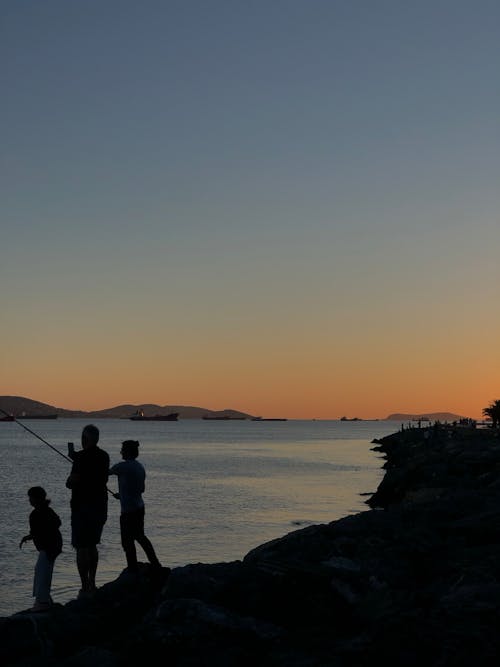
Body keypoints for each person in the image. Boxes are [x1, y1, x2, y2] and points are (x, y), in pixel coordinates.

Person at [65, 424, 109, 597]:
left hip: (81, 506)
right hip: (100, 506)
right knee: (92, 545)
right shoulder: (104, 456)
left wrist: (70, 479)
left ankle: (84, 587)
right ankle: (93, 582)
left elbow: (71, 482)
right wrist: (75, 456)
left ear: (85, 439)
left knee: (81, 547)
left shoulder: (81, 458)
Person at [109, 439, 162, 573]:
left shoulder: (123, 467)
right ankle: (155, 563)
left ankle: (132, 568)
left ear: (127, 451)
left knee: (127, 542)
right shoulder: (140, 467)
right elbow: (140, 489)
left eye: (122, 450)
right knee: (140, 536)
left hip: (128, 511)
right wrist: (122, 495)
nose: (120, 452)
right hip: (139, 507)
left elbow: (104, 473)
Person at [19, 486, 63, 612]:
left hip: (49, 547)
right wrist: (29, 536)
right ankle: (45, 599)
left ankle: (42, 602)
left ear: (37, 499)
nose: (29, 501)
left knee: (42, 571)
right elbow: (54, 524)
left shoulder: (39, 513)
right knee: (42, 570)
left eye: (31, 498)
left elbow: (52, 525)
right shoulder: (46, 511)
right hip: (51, 545)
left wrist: (37, 534)